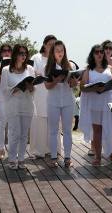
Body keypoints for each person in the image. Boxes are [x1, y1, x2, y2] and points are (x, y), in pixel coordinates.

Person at [79, 44, 112, 166]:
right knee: (97, 131)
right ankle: (97, 156)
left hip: (109, 102)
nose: (99, 54)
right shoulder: (88, 70)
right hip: (95, 103)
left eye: (101, 52)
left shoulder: (110, 68)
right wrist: (94, 88)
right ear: (92, 54)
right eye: (96, 52)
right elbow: (82, 87)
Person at [0, 44, 35, 169]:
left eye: (25, 54)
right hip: (13, 105)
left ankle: (21, 159)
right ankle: (12, 159)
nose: (23, 56)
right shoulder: (5, 70)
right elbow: (3, 91)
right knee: (15, 133)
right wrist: (15, 89)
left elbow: (33, 89)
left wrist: (31, 87)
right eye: (21, 53)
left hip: (27, 104)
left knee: (24, 134)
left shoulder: (30, 69)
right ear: (15, 54)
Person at [45, 40, 78, 168]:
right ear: (53, 53)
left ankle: (67, 158)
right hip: (53, 101)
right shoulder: (48, 68)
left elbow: (74, 85)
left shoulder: (71, 66)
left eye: (62, 50)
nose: (60, 53)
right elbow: (47, 86)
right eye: (57, 51)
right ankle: (53, 157)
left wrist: (74, 83)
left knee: (67, 131)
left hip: (68, 101)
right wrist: (56, 80)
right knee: (53, 130)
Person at [30, 35, 60, 158]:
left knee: (54, 122)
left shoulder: (57, 58)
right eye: (49, 44)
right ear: (44, 45)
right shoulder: (36, 57)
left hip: (54, 93)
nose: (52, 46)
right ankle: (39, 150)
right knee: (40, 122)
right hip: (40, 94)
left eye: (54, 44)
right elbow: (31, 72)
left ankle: (54, 149)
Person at [0, 44, 12, 160]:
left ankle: (12, 149)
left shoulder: (16, 66)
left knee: (12, 125)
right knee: (2, 124)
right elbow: (1, 78)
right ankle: (1, 149)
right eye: (4, 51)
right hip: (1, 97)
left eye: (9, 51)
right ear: (0, 53)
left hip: (13, 97)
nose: (7, 52)